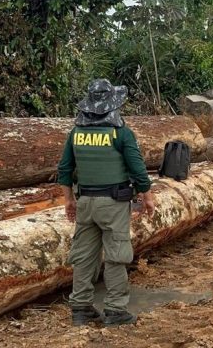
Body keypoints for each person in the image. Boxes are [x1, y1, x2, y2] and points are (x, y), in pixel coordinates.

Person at [57, 79, 156, 326]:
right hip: (113, 203)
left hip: (85, 202)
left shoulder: (76, 133)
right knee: (116, 255)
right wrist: (147, 196)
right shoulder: (120, 133)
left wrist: (69, 200)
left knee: (83, 255)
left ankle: (80, 307)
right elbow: (137, 168)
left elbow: (65, 169)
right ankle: (115, 309)